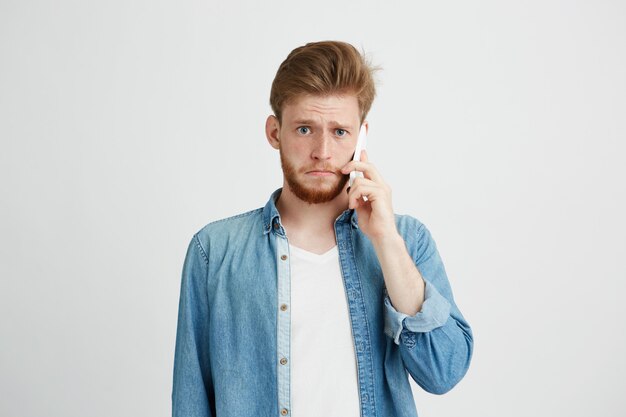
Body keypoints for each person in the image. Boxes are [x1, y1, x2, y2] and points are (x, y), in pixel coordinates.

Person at [172, 40, 473, 417]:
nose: (323, 151)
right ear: (274, 132)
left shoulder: (406, 240)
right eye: (304, 129)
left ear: (362, 136)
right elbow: (191, 401)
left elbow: (444, 372)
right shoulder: (213, 251)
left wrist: (385, 241)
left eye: (340, 132)